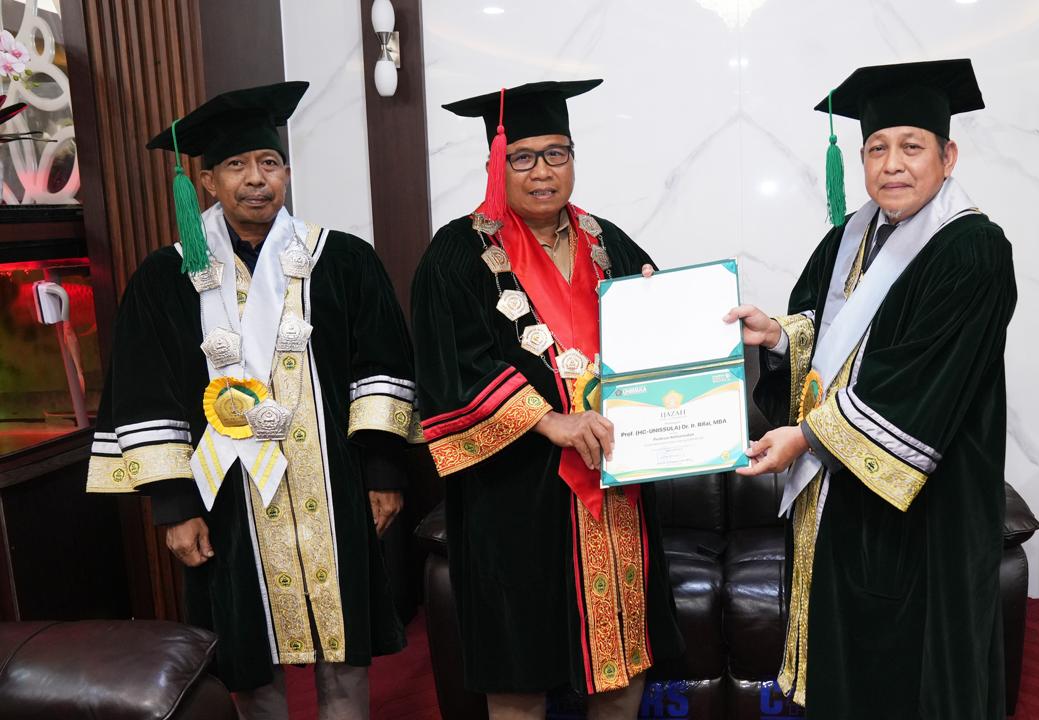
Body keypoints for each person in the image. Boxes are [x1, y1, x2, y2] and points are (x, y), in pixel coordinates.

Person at [85, 81, 416, 720]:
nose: (256, 179)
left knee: (344, 640)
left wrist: (382, 470)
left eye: (269, 162)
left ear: (286, 173)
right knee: (245, 643)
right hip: (225, 495)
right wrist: (175, 505)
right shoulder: (167, 278)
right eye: (236, 165)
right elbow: (146, 392)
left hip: (333, 486)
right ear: (207, 183)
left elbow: (381, 367)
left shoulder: (341, 261)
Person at [729, 59, 1017, 719]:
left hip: (924, 509)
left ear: (948, 156)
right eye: (877, 149)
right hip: (840, 499)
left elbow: (918, 384)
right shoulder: (848, 238)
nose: (892, 165)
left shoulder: (972, 250)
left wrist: (804, 437)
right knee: (849, 668)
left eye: (911, 147)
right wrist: (778, 336)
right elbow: (826, 333)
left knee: (907, 671)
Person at [412, 79, 683, 719]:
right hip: (513, 494)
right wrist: (548, 420)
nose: (542, 172)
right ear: (495, 164)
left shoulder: (608, 241)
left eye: (556, 153)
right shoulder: (456, 254)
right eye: (523, 157)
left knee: (619, 668)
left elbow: (663, 348)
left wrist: (667, 310)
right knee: (519, 672)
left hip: (612, 487)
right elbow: (450, 367)